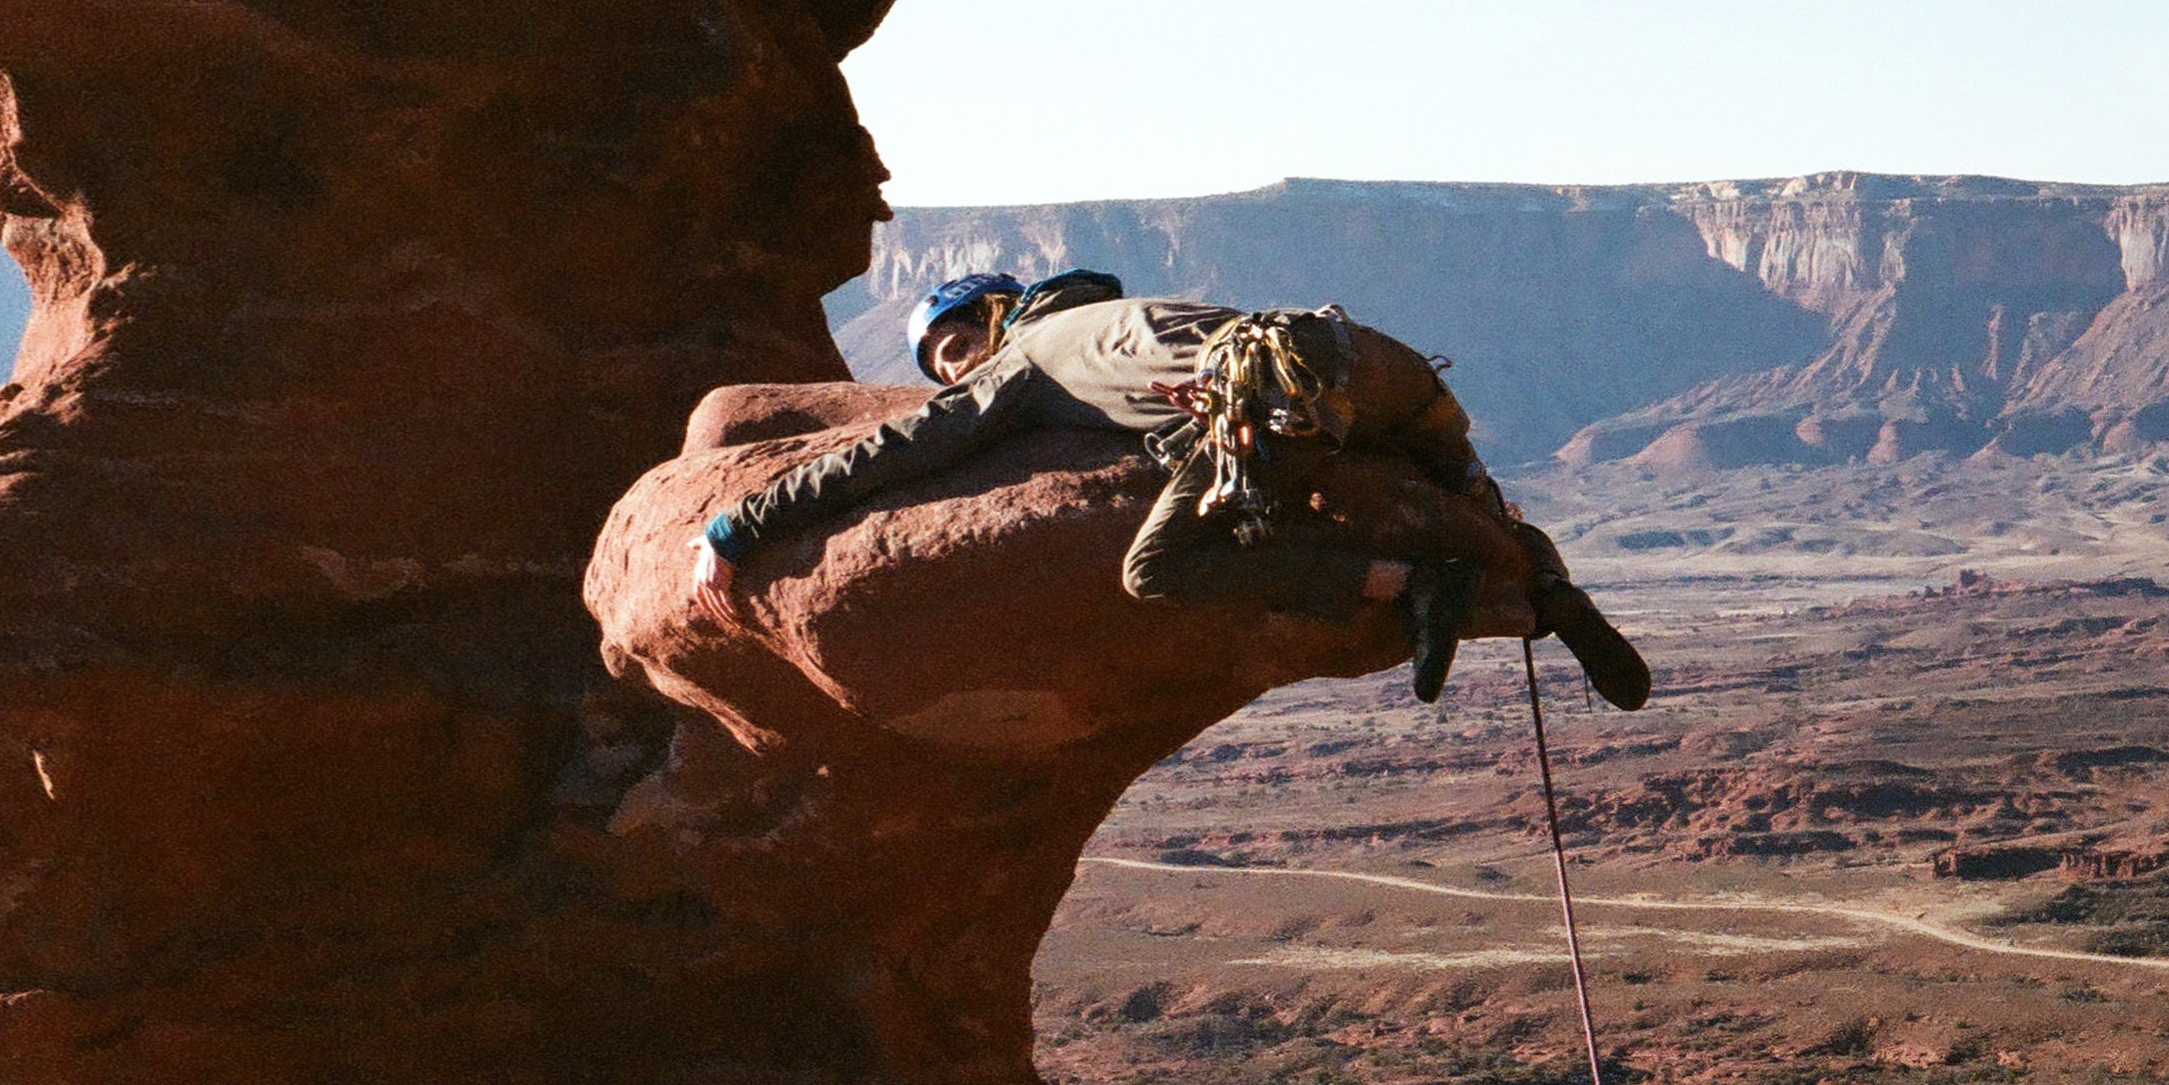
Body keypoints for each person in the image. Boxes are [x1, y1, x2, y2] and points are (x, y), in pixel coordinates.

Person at [692, 271, 1655, 708]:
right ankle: (1556, 600)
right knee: (1475, 500)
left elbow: (893, 453)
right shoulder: (1120, 313)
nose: (955, 373)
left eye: (955, 350)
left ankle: (1413, 589)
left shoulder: (1019, 360)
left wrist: (740, 527)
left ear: (993, 315)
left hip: (1266, 387)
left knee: (1158, 568)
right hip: (1380, 362)